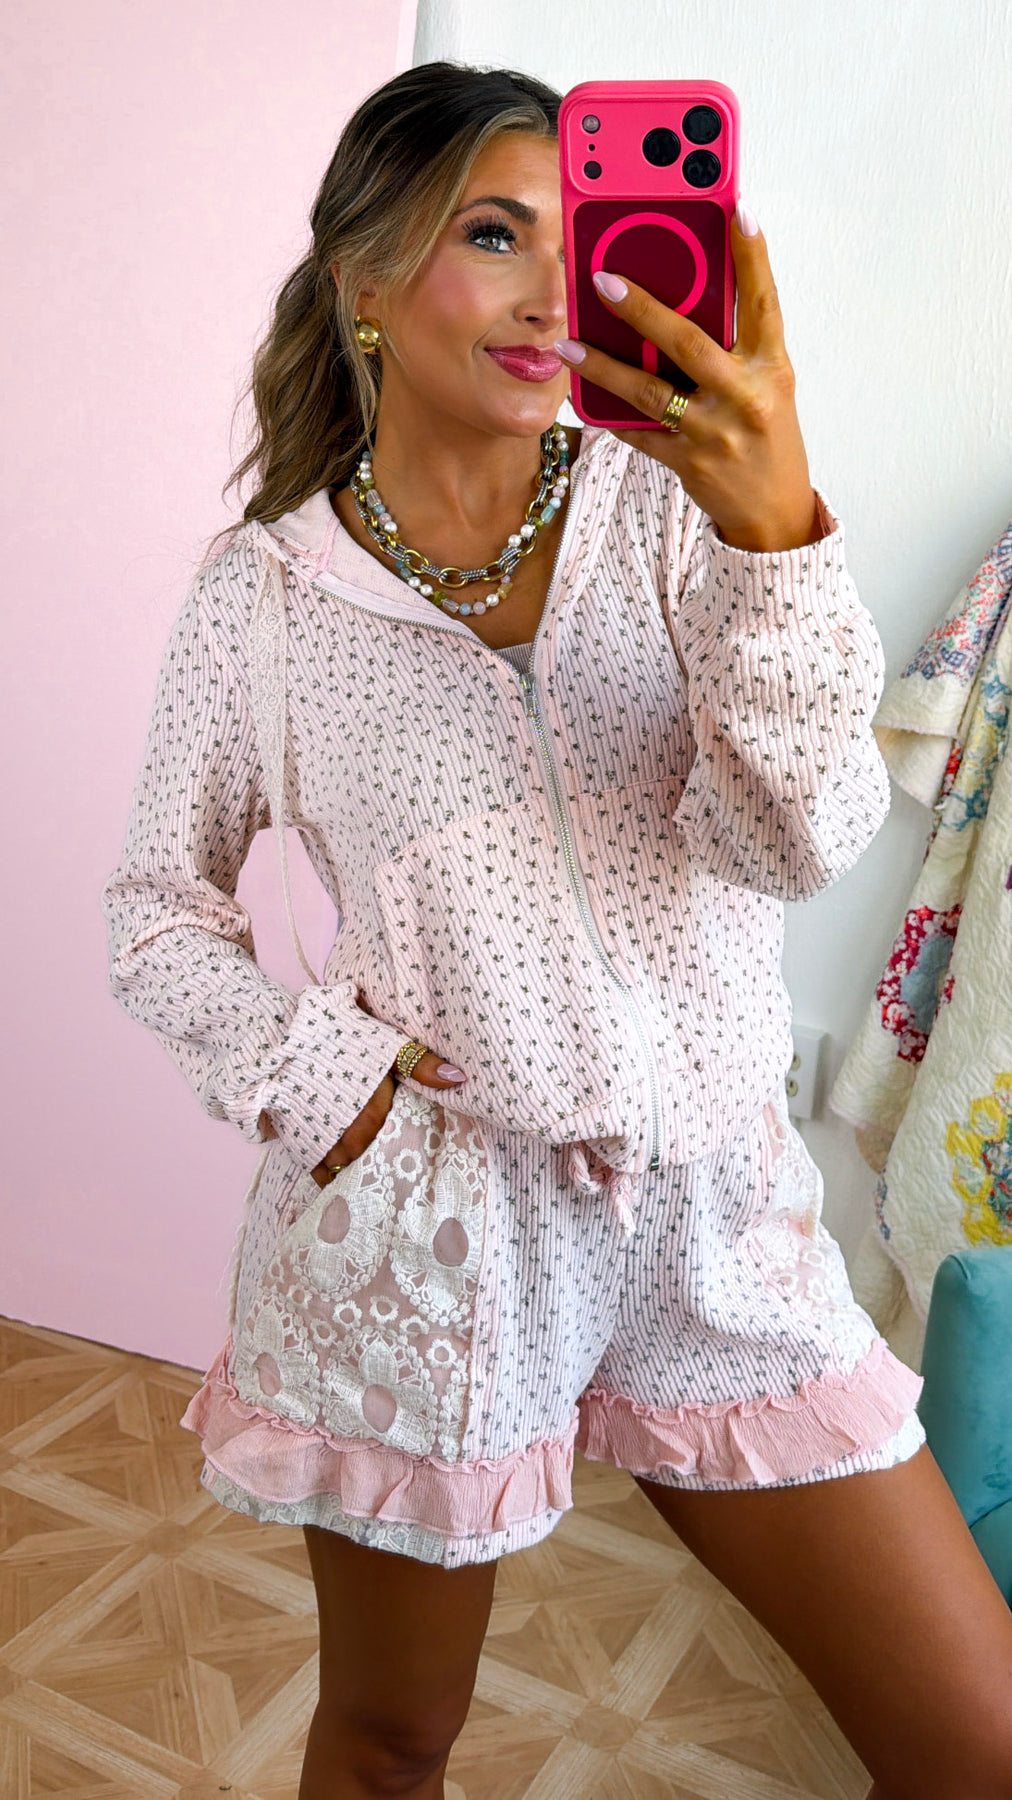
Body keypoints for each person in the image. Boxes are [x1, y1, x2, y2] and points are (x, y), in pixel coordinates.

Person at [100, 59, 1012, 1800]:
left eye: (577, 238)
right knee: (391, 1742)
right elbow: (157, 907)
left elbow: (802, 838)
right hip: (427, 1234)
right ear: (366, 282)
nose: (552, 290)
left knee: (981, 1744)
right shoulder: (263, 602)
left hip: (715, 1219)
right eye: (493, 234)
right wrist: (328, 1078)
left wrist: (774, 530)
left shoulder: (673, 514)